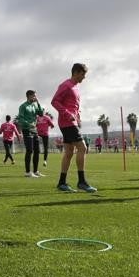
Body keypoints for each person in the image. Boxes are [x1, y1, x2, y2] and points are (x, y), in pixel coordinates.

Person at [51, 63, 96, 193]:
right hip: (67, 122)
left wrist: (78, 117)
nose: (84, 77)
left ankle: (61, 183)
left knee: (69, 152)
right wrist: (67, 114)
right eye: (83, 74)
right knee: (83, 147)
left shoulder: (76, 87)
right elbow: (54, 101)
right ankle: (82, 182)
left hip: (72, 122)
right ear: (76, 72)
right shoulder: (65, 85)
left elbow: (74, 106)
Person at [15, 90, 44, 177]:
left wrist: (38, 103)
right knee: (29, 150)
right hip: (27, 129)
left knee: (37, 151)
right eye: (34, 96)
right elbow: (20, 119)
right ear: (29, 96)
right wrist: (28, 124)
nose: (35, 97)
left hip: (35, 130)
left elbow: (41, 114)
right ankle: (27, 172)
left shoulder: (34, 105)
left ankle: (35, 171)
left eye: (36, 96)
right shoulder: (23, 106)